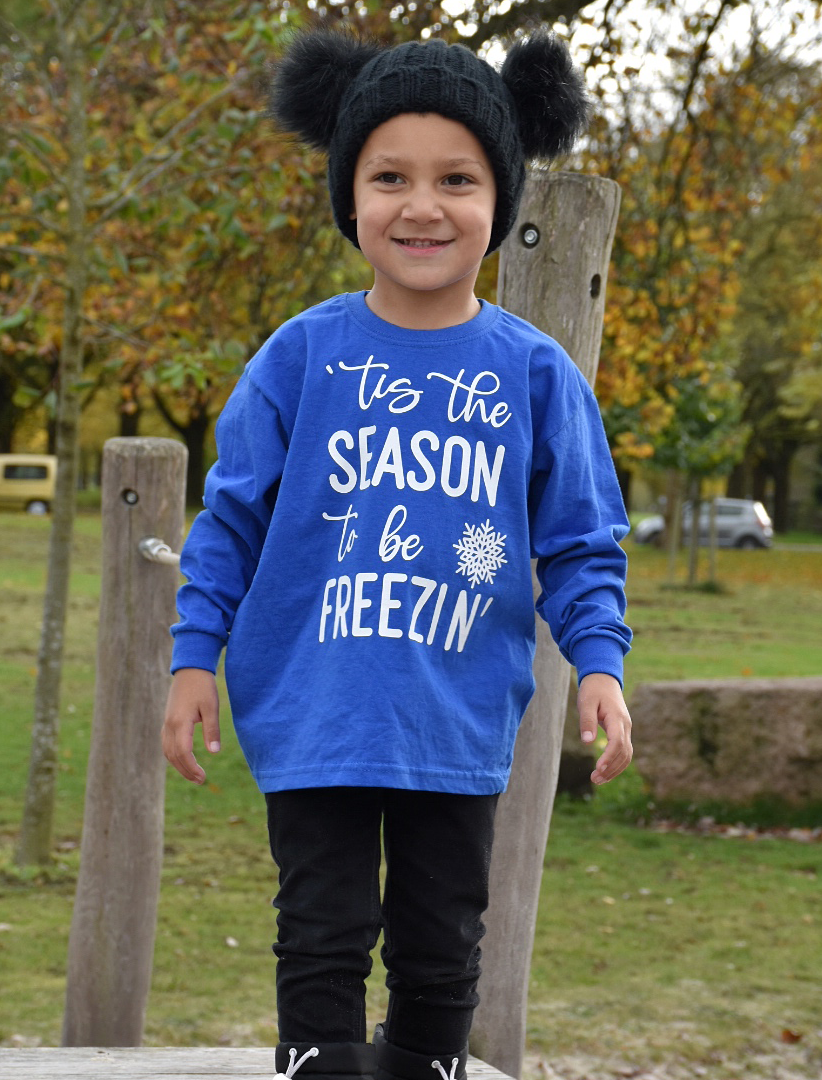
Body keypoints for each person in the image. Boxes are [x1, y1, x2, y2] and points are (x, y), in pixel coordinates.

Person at [161, 26, 634, 1080]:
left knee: (440, 946)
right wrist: (194, 659)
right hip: (314, 712)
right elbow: (229, 523)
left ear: (501, 199)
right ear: (350, 195)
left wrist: (600, 664)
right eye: (390, 177)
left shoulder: (535, 375)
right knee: (319, 938)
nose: (423, 206)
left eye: (457, 178)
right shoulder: (300, 357)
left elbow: (581, 542)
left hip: (454, 720)